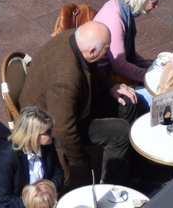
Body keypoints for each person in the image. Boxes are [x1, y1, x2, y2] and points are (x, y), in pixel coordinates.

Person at [17, 21, 142, 190]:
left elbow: (92, 68)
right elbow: (63, 130)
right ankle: (112, 189)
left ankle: (131, 169)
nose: (109, 51)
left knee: (128, 103)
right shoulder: (65, 79)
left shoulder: (76, 38)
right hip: (51, 124)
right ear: (92, 50)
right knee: (120, 132)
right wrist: (80, 161)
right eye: (107, 48)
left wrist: (111, 86)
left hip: (76, 103)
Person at [93, 0, 164, 85]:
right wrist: (152, 77)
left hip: (111, 67)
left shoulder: (118, 6)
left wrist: (150, 66)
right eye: (154, 2)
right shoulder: (114, 22)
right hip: (103, 77)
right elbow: (120, 66)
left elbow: (126, 51)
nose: (156, 6)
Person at [0, 106, 65, 207]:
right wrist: (34, 205)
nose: (52, 133)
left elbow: (58, 173)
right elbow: (3, 196)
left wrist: (46, 194)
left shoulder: (47, 144)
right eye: (47, 132)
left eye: (51, 128)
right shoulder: (8, 156)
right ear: (32, 136)